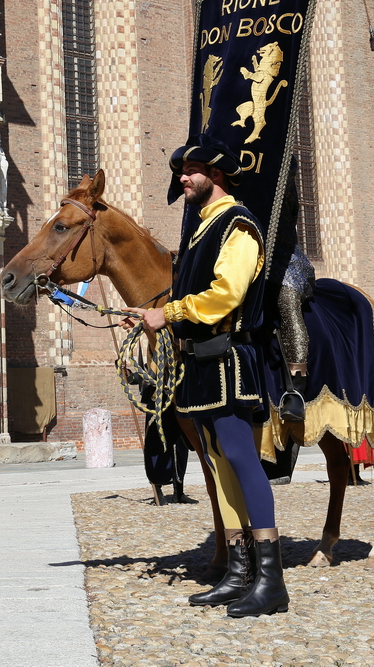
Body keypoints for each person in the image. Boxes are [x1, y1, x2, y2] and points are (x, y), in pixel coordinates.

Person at [124, 136, 286, 618]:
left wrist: (168, 313)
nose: (182, 179)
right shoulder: (200, 228)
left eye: (189, 171)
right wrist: (151, 316)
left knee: (240, 457)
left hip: (229, 358)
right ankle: (239, 572)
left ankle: (271, 582)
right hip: (200, 362)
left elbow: (226, 295)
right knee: (218, 462)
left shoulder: (238, 224)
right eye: (182, 171)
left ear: (215, 175)